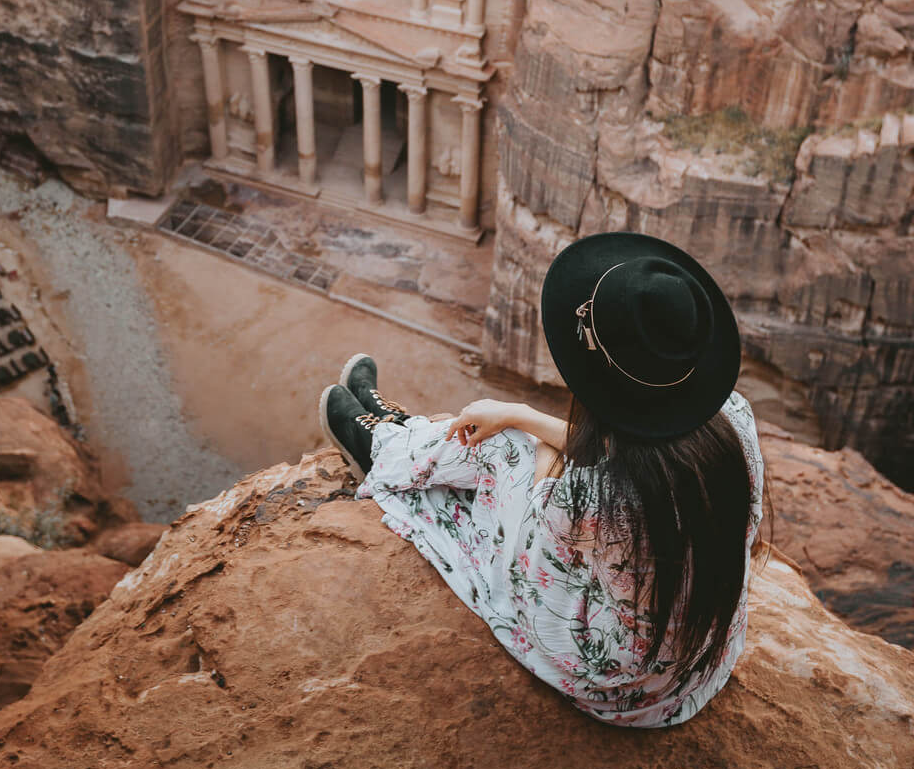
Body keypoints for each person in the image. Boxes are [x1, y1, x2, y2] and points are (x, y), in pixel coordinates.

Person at [318, 231, 765, 727]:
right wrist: (521, 411)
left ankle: (384, 446)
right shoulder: (735, 421)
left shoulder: (589, 499)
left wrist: (514, 424)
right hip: (692, 667)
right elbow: (631, 452)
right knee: (517, 433)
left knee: (501, 448)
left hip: (617, 685)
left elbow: (540, 511)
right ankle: (404, 434)